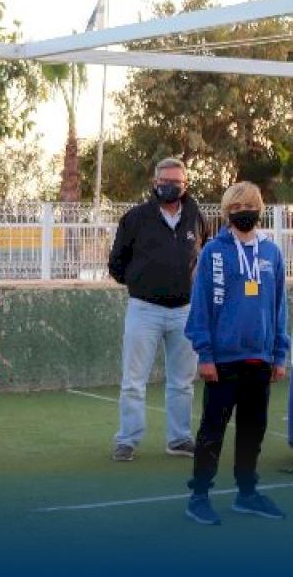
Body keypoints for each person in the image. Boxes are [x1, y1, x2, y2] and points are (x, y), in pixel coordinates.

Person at [182, 181, 288, 525]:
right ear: (227, 212)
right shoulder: (214, 251)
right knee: (212, 430)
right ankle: (199, 496)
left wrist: (280, 354)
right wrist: (205, 354)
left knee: (252, 430)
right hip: (222, 360)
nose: (245, 212)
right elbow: (200, 306)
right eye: (237, 208)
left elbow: (279, 307)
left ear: (260, 209)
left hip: (260, 359)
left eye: (250, 206)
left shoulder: (272, 253)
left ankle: (247, 493)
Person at [107, 157, 210, 461]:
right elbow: (116, 262)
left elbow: (204, 256)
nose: (170, 186)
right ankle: (127, 440)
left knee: (183, 383)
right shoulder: (135, 218)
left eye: (176, 182)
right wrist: (140, 283)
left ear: (185, 185)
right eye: (165, 181)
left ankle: (179, 439)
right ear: (155, 183)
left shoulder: (196, 217)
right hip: (144, 310)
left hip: (186, 312)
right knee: (133, 381)